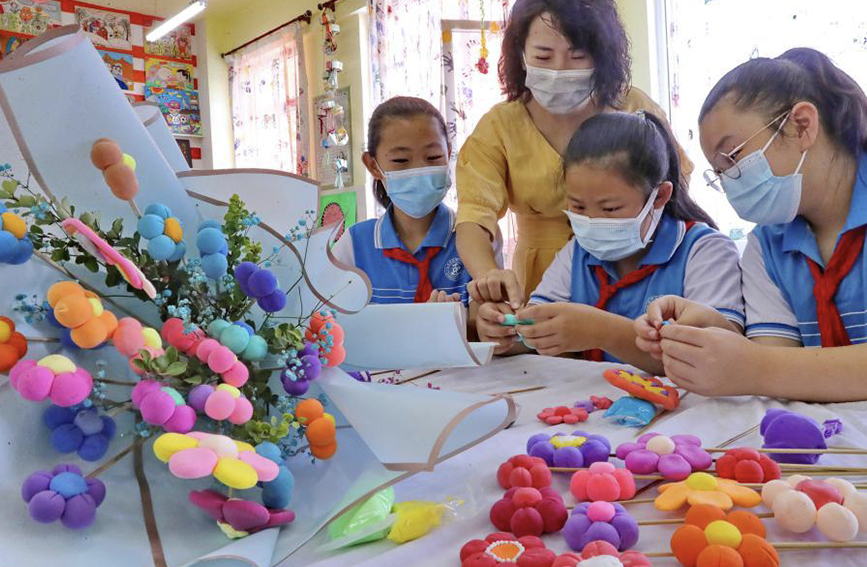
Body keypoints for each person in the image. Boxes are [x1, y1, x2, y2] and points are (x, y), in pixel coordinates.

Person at [636, 48, 867, 401]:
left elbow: (767, 368)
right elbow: (777, 363)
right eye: (719, 172)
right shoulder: (767, 244)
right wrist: (709, 333)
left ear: (801, 125)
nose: (730, 181)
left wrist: (756, 368)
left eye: (733, 156)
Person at [456, 0, 692, 312]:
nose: (559, 71)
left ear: (601, 55)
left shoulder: (635, 107)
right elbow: (474, 215)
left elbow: (675, 197)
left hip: (635, 270)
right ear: (521, 54)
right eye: (543, 56)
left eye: (577, 56)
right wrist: (489, 276)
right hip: (541, 279)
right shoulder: (500, 125)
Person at [476, 111, 742, 374]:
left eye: (610, 209)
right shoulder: (577, 253)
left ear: (659, 196)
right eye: (578, 206)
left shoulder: (705, 251)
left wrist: (600, 331)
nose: (592, 221)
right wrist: (505, 331)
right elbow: (537, 327)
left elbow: (719, 358)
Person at [331, 96, 474, 304]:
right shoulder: (353, 245)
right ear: (372, 165)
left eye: (433, 157)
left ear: (448, 153)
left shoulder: (472, 236)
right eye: (401, 160)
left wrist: (457, 319)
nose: (419, 169)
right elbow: (330, 323)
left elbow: (489, 320)